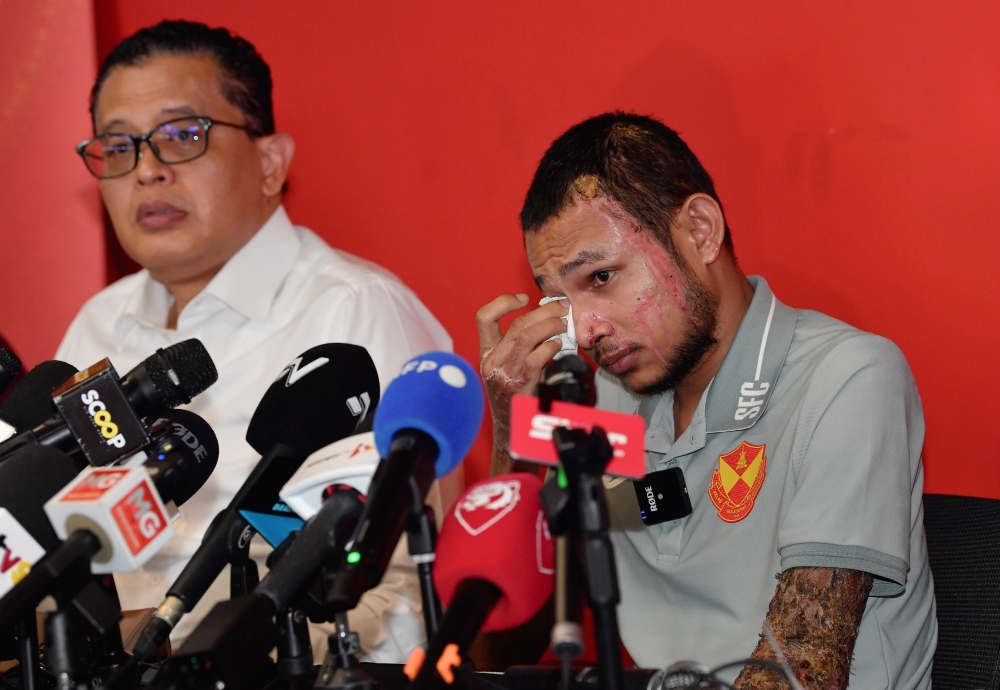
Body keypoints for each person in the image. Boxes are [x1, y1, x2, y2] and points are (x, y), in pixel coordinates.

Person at [477, 113, 936, 689]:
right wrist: (512, 431)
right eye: (559, 303)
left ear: (699, 229)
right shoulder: (604, 398)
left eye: (600, 278)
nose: (587, 330)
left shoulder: (847, 378)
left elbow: (800, 676)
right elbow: (501, 643)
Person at [57, 20, 452, 662]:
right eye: (119, 146)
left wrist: (169, 648)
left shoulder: (351, 316)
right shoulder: (94, 328)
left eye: (182, 136)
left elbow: (404, 602)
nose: (147, 171)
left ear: (271, 163)